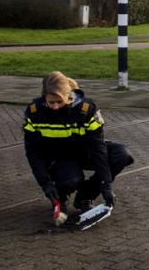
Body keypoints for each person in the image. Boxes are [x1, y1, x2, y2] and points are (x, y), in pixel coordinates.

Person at [23, 71, 134, 218]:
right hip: (58, 157)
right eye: (51, 102)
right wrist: (45, 184)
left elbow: (98, 147)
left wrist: (105, 184)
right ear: (44, 97)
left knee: (121, 155)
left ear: (68, 96)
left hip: (84, 151)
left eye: (60, 102)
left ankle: (84, 198)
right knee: (71, 180)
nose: (55, 106)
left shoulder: (86, 110)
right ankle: (60, 197)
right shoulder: (34, 112)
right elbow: (33, 152)